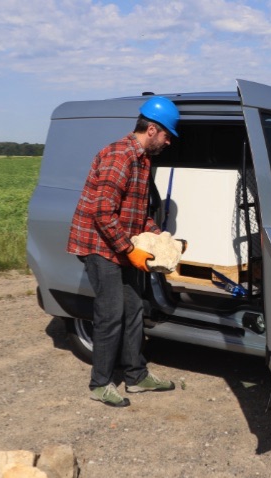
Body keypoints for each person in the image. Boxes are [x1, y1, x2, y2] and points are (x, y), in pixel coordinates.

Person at [67, 96, 182, 407]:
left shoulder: (142, 160)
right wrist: (130, 250)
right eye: (167, 135)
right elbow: (102, 213)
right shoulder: (120, 156)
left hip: (118, 245)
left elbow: (136, 213)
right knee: (110, 314)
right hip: (99, 246)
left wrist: (162, 240)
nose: (169, 142)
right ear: (153, 129)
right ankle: (100, 384)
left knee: (133, 309)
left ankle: (136, 376)